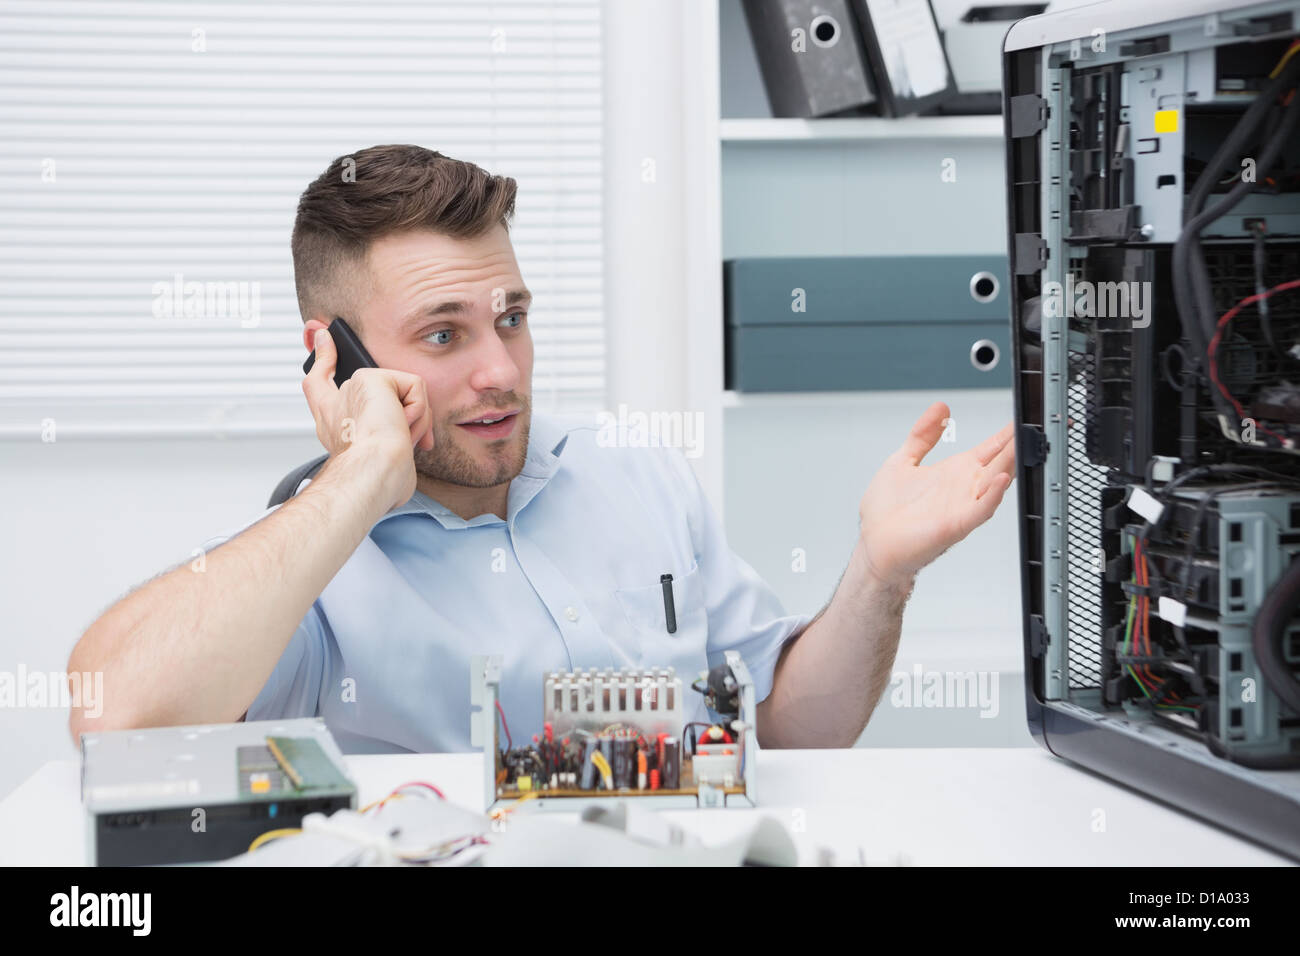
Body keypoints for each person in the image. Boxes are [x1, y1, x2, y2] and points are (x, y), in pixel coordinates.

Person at [67, 144, 1015, 753]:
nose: (500, 372)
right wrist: (357, 475)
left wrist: (879, 575)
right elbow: (111, 715)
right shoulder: (314, 565)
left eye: (510, 318)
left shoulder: (636, 469)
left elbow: (791, 733)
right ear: (335, 356)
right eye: (443, 335)